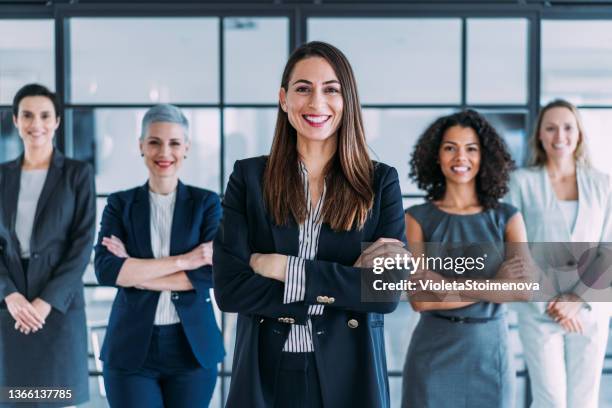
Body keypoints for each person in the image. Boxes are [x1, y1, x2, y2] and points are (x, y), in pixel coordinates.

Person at [213, 41, 407, 408]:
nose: (316, 103)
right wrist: (342, 286)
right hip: (265, 370)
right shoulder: (249, 177)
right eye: (303, 89)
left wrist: (283, 267)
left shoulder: (380, 182)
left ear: (347, 100)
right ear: (284, 99)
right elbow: (229, 289)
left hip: (350, 373)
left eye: (331, 89)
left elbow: (384, 293)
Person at [94, 104, 224, 408]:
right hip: (131, 348)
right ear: (141, 146)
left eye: (174, 143)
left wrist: (137, 274)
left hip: (192, 348)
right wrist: (184, 262)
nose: (164, 152)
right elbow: (107, 270)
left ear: (187, 148)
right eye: (154, 142)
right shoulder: (119, 204)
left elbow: (213, 274)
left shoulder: (207, 203)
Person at [402, 110, 529, 408]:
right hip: (432, 355)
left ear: (485, 156)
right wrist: (496, 285)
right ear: (436, 156)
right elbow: (420, 299)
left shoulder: (507, 217)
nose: (461, 157)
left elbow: (522, 290)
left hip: (490, 355)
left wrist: (444, 287)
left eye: (471, 148)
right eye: (450, 148)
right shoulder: (416, 218)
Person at [504, 99, 611, 408]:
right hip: (540, 309)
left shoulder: (602, 184)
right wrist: (555, 303)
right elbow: (515, 250)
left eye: (567, 127)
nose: (559, 136)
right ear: (539, 135)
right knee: (549, 400)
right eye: (550, 128)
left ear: (579, 134)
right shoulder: (521, 182)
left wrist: (577, 300)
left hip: (589, 308)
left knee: (584, 401)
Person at [0, 83, 95, 406]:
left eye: (44, 115)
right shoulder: (1, 176)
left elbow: (82, 245)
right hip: (10, 307)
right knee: (13, 399)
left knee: (56, 399)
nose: (35, 124)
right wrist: (8, 294)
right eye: (27, 115)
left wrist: (46, 302)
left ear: (56, 121)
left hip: (57, 309)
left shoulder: (77, 174)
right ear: (15, 120)